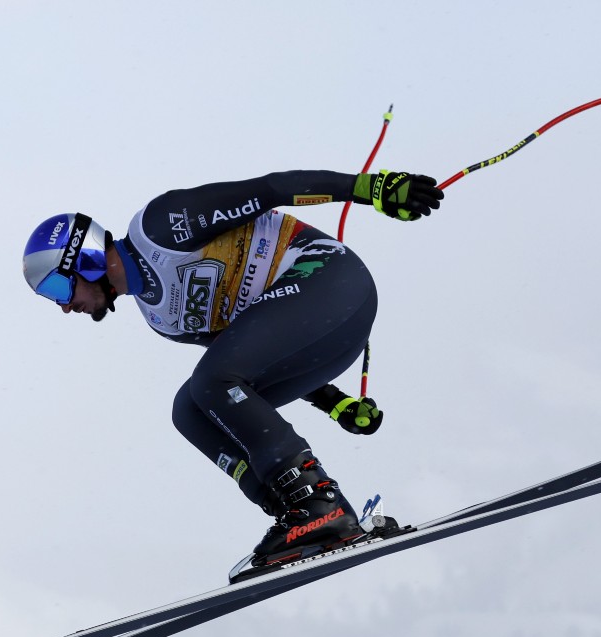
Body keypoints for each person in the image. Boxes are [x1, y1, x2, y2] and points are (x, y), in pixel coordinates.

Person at [22, 170, 443, 580]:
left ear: (87, 258)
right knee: (190, 408)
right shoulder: (162, 318)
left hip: (331, 281)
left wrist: (369, 189)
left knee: (209, 382)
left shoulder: (159, 229)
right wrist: (336, 403)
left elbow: (272, 189)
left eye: (58, 290)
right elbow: (250, 361)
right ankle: (294, 511)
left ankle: (321, 505)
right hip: (321, 335)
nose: (63, 307)